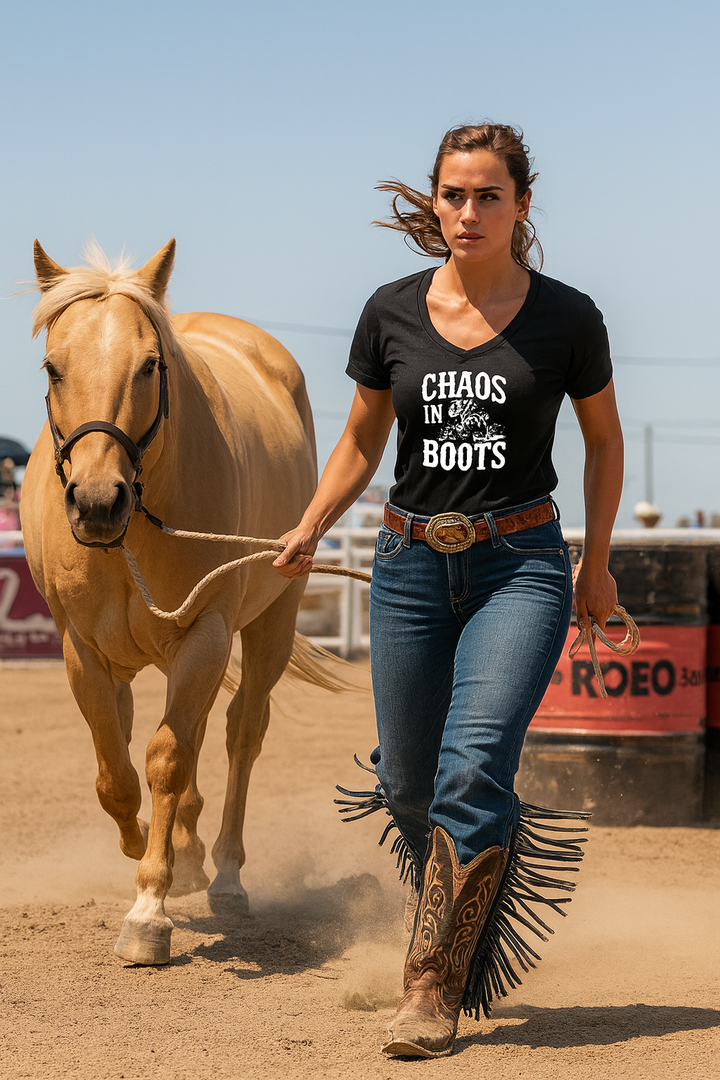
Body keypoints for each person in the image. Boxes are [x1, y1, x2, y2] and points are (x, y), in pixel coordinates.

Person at [273, 123, 623, 1058]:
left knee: (472, 769)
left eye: (489, 195)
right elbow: (358, 442)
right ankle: (470, 880)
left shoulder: (568, 317)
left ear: (521, 205)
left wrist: (594, 568)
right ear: (435, 202)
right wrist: (311, 521)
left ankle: (429, 987)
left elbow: (606, 442)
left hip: (522, 567)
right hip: (408, 568)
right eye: (455, 195)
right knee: (407, 784)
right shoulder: (389, 310)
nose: (470, 212)